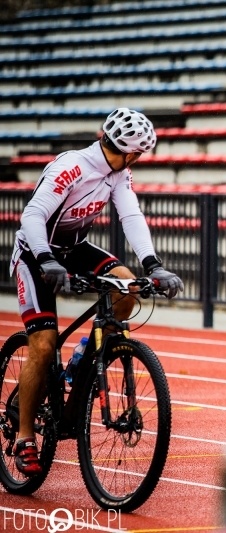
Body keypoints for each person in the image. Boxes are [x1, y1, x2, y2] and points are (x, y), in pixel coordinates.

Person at [9, 107, 184, 477]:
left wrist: (153, 265)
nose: (136, 160)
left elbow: (131, 216)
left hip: (74, 249)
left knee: (128, 289)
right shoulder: (72, 166)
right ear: (127, 150)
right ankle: (24, 437)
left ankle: (83, 357)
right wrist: (45, 259)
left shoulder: (118, 173)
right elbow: (32, 215)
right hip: (35, 252)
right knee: (42, 344)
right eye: (137, 154)